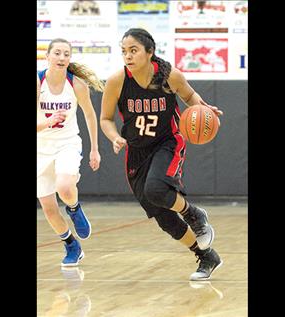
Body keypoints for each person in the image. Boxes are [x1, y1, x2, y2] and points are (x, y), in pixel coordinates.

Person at [100, 28, 224, 281]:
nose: (128, 56)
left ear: (150, 52)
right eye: (124, 51)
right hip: (136, 152)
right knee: (164, 218)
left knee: (156, 189)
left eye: (133, 50)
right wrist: (114, 137)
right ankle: (206, 256)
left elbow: (189, 95)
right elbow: (105, 118)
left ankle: (194, 214)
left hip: (168, 142)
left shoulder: (169, 76)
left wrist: (203, 108)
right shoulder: (117, 81)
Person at [37, 38, 104, 267]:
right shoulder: (38, 82)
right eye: (57, 53)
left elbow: (90, 115)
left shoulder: (76, 84)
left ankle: (74, 209)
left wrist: (94, 149)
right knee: (48, 207)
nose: (62, 57)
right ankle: (71, 245)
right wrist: (47, 123)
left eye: (66, 54)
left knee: (65, 187)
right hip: (40, 149)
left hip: (67, 143)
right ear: (48, 56)